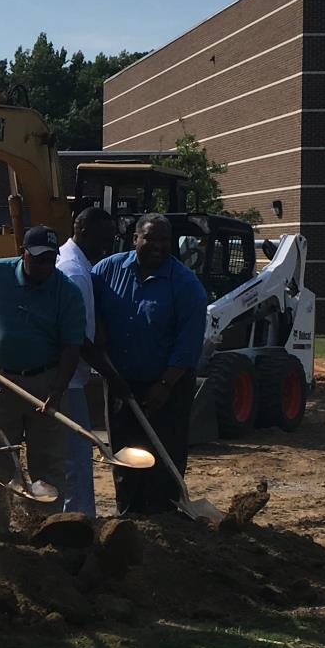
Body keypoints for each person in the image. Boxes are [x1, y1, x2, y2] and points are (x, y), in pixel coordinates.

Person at [0, 225, 87, 536]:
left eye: (50, 260)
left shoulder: (66, 292)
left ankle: (46, 528)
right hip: (0, 380)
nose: (44, 267)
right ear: (23, 254)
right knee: (1, 459)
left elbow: (73, 346)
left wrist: (57, 390)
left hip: (46, 381)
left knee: (48, 460)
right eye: (38, 259)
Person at [92, 212, 209, 515]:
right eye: (150, 238)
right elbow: (86, 308)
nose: (157, 245)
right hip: (120, 381)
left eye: (164, 240)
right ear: (135, 239)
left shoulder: (185, 284)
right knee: (125, 455)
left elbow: (189, 342)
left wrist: (165, 385)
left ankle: (166, 516)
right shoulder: (107, 271)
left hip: (168, 386)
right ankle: (129, 514)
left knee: (163, 455)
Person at [55, 207, 122, 517]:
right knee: (76, 455)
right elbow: (78, 338)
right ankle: (79, 519)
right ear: (82, 232)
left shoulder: (73, 263)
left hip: (67, 377)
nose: (108, 246)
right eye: (104, 238)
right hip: (67, 380)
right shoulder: (75, 272)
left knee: (70, 454)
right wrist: (112, 374)